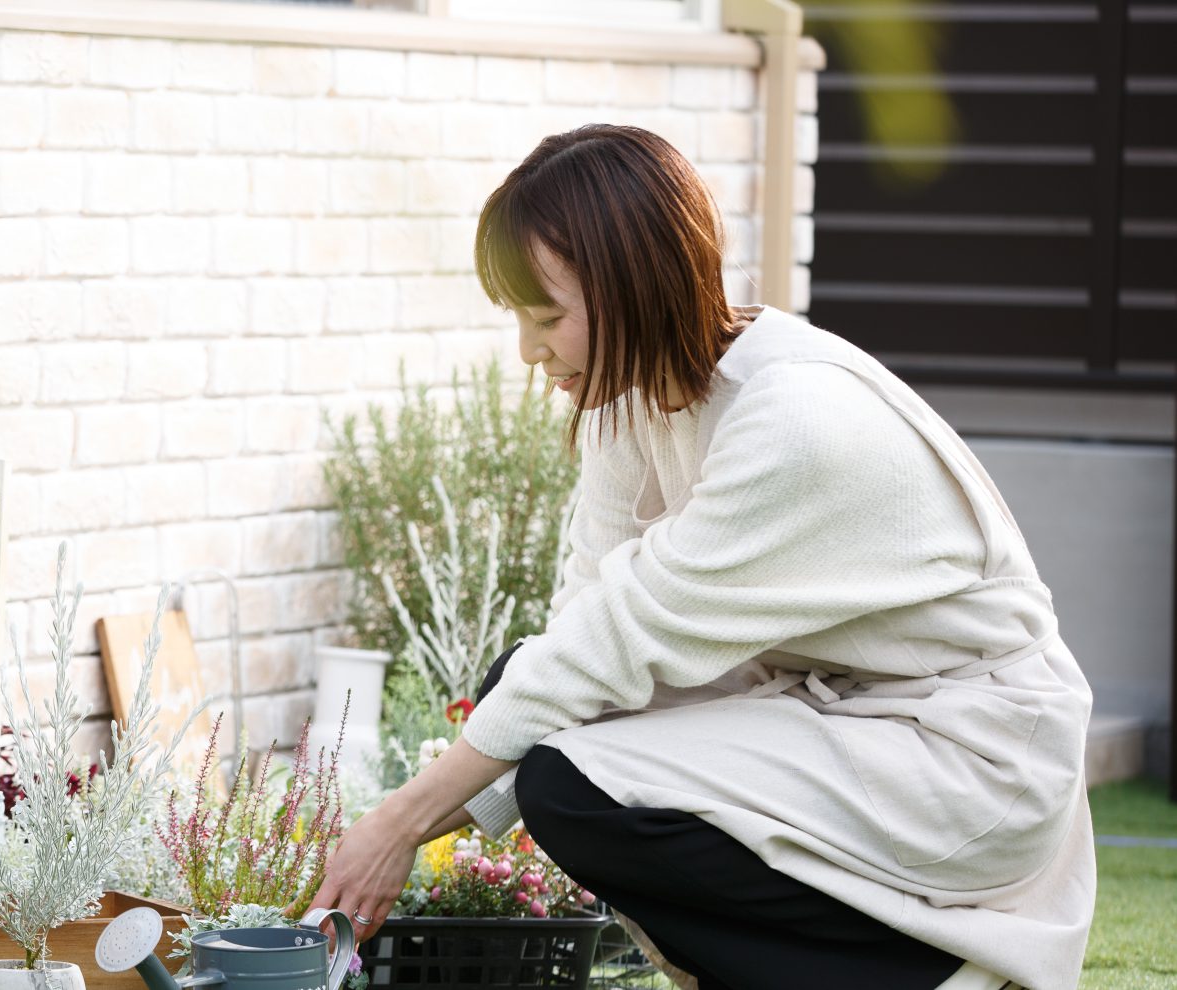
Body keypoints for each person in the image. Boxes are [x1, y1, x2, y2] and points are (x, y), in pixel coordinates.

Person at [306, 124, 1095, 990]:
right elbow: (580, 635)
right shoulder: (631, 398)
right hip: (836, 720)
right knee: (527, 697)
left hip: (966, 760)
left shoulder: (793, 420)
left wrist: (400, 823)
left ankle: (911, 970)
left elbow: (621, 641)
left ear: (635, 285)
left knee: (571, 788)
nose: (529, 353)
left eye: (547, 318)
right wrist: (432, 821)